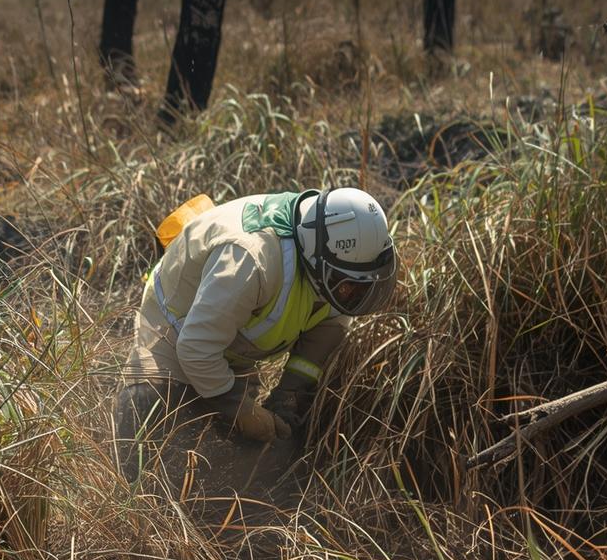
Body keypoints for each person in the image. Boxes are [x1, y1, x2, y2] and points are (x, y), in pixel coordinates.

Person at [115, 187, 398, 483]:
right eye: (349, 286)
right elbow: (196, 348)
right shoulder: (250, 261)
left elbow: (330, 325)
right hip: (174, 329)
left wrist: (289, 395)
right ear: (316, 261)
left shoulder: (334, 273)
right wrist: (240, 410)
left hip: (231, 339)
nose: (356, 294)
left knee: (240, 458)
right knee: (146, 424)